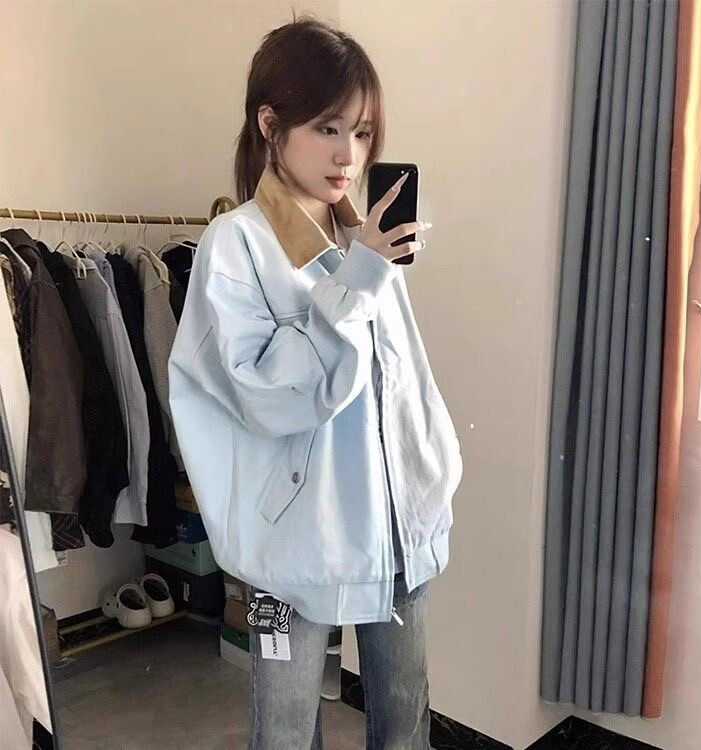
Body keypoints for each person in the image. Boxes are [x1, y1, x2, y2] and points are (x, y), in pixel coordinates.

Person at [168, 14, 463, 750]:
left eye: (362, 133)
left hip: (397, 527)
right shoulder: (235, 243)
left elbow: (402, 382)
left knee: (405, 721)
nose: (349, 155)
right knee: (286, 732)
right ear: (270, 124)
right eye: (328, 128)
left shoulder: (360, 234)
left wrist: (434, 468)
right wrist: (358, 276)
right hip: (292, 548)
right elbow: (266, 390)